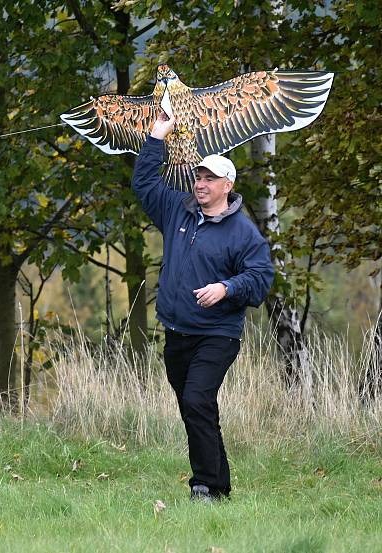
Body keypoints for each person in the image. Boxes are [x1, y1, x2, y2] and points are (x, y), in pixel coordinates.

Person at [132, 113, 275, 502]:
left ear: (227, 185)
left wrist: (226, 288)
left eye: (210, 178)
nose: (200, 183)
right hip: (176, 332)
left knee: (196, 401)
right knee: (196, 408)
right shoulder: (178, 210)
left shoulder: (242, 232)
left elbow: (261, 279)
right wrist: (156, 137)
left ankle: (204, 487)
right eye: (198, 176)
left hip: (217, 335)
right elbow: (144, 184)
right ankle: (220, 485)